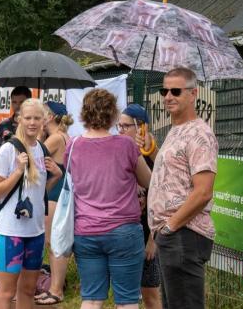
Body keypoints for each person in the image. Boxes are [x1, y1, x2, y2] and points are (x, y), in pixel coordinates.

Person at [67, 89, 151, 309]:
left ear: (84, 113)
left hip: (85, 230)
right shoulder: (126, 145)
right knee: (126, 300)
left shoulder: (73, 145)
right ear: (113, 115)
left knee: (92, 298)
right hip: (123, 230)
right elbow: (148, 181)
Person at [148, 67, 218, 309]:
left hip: (184, 234)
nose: (168, 96)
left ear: (193, 93)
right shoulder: (176, 130)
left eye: (176, 91)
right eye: (164, 90)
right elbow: (174, 177)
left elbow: (203, 191)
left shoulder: (199, 134)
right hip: (171, 236)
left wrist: (170, 226)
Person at [0, 98, 62, 309]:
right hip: (11, 232)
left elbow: (38, 195)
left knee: (28, 289)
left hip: (35, 232)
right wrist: (17, 172)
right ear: (20, 119)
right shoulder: (8, 150)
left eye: (37, 118)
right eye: (28, 118)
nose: (32, 122)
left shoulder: (41, 149)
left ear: (45, 120)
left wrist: (56, 177)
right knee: (6, 291)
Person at [0, 86, 32, 292]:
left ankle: (24, 280)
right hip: (5, 187)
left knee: (28, 237)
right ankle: (2, 276)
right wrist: (8, 153)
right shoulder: (4, 126)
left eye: (21, 102)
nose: (17, 106)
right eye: (14, 102)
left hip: (28, 190)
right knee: (0, 233)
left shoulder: (34, 127)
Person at [117, 104, 162, 309]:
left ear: (141, 127)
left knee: (150, 292)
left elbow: (162, 196)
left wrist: (153, 240)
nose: (120, 131)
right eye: (118, 126)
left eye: (125, 126)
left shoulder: (152, 152)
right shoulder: (122, 150)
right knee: (127, 294)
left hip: (148, 230)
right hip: (126, 229)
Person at [34, 101, 73, 306]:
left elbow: (34, 153)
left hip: (54, 195)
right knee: (55, 241)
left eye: (43, 114)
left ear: (50, 117)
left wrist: (39, 134)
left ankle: (55, 288)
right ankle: (55, 284)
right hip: (60, 194)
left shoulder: (56, 137)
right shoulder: (64, 136)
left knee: (52, 242)